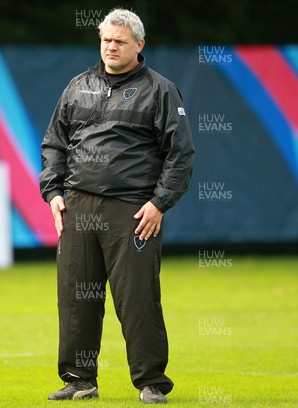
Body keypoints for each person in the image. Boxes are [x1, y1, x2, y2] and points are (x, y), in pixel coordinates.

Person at [39, 8, 194, 404]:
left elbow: (180, 154)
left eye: (120, 41)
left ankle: (151, 381)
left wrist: (159, 204)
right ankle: (79, 379)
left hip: (132, 210)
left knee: (137, 297)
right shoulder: (78, 86)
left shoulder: (160, 91)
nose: (111, 46)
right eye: (106, 39)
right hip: (78, 206)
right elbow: (54, 143)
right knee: (76, 297)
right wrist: (53, 192)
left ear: (139, 45)